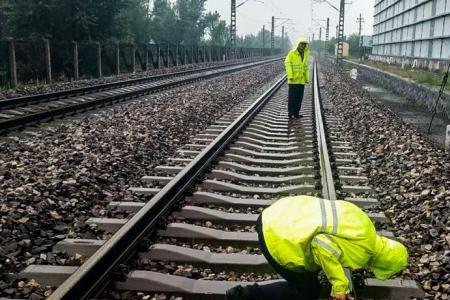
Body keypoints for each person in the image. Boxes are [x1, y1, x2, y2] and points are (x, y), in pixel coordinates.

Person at [226, 196, 408, 300]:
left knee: (311, 276)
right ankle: (245, 295)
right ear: (384, 263)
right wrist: (339, 285)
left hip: (279, 214)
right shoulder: (363, 252)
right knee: (306, 292)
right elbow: (321, 244)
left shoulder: (366, 227)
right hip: (277, 236)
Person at [285, 36, 310, 119]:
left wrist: (307, 78)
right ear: (298, 44)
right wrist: (290, 75)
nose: (303, 46)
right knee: (292, 98)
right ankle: (290, 113)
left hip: (301, 81)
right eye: (302, 44)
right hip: (293, 80)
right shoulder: (291, 53)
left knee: (299, 98)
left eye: (304, 44)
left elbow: (305, 67)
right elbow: (287, 64)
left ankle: (296, 113)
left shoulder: (305, 54)